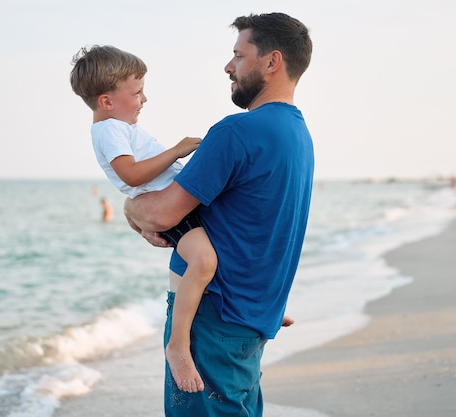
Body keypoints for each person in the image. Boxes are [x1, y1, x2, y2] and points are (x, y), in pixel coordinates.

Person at [124, 12, 313, 417]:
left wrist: (129, 206)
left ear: (271, 61)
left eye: (238, 56)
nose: (228, 67)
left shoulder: (236, 132)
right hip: (254, 318)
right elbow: (267, 227)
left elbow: (160, 214)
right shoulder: (298, 135)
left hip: (213, 319)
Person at [70, 45, 217, 393]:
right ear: (106, 101)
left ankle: (261, 309)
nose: (144, 99)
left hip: (178, 200)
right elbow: (132, 176)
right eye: (136, 92)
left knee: (230, 246)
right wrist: (178, 150)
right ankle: (178, 346)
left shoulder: (118, 127)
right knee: (205, 261)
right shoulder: (109, 130)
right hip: (166, 206)